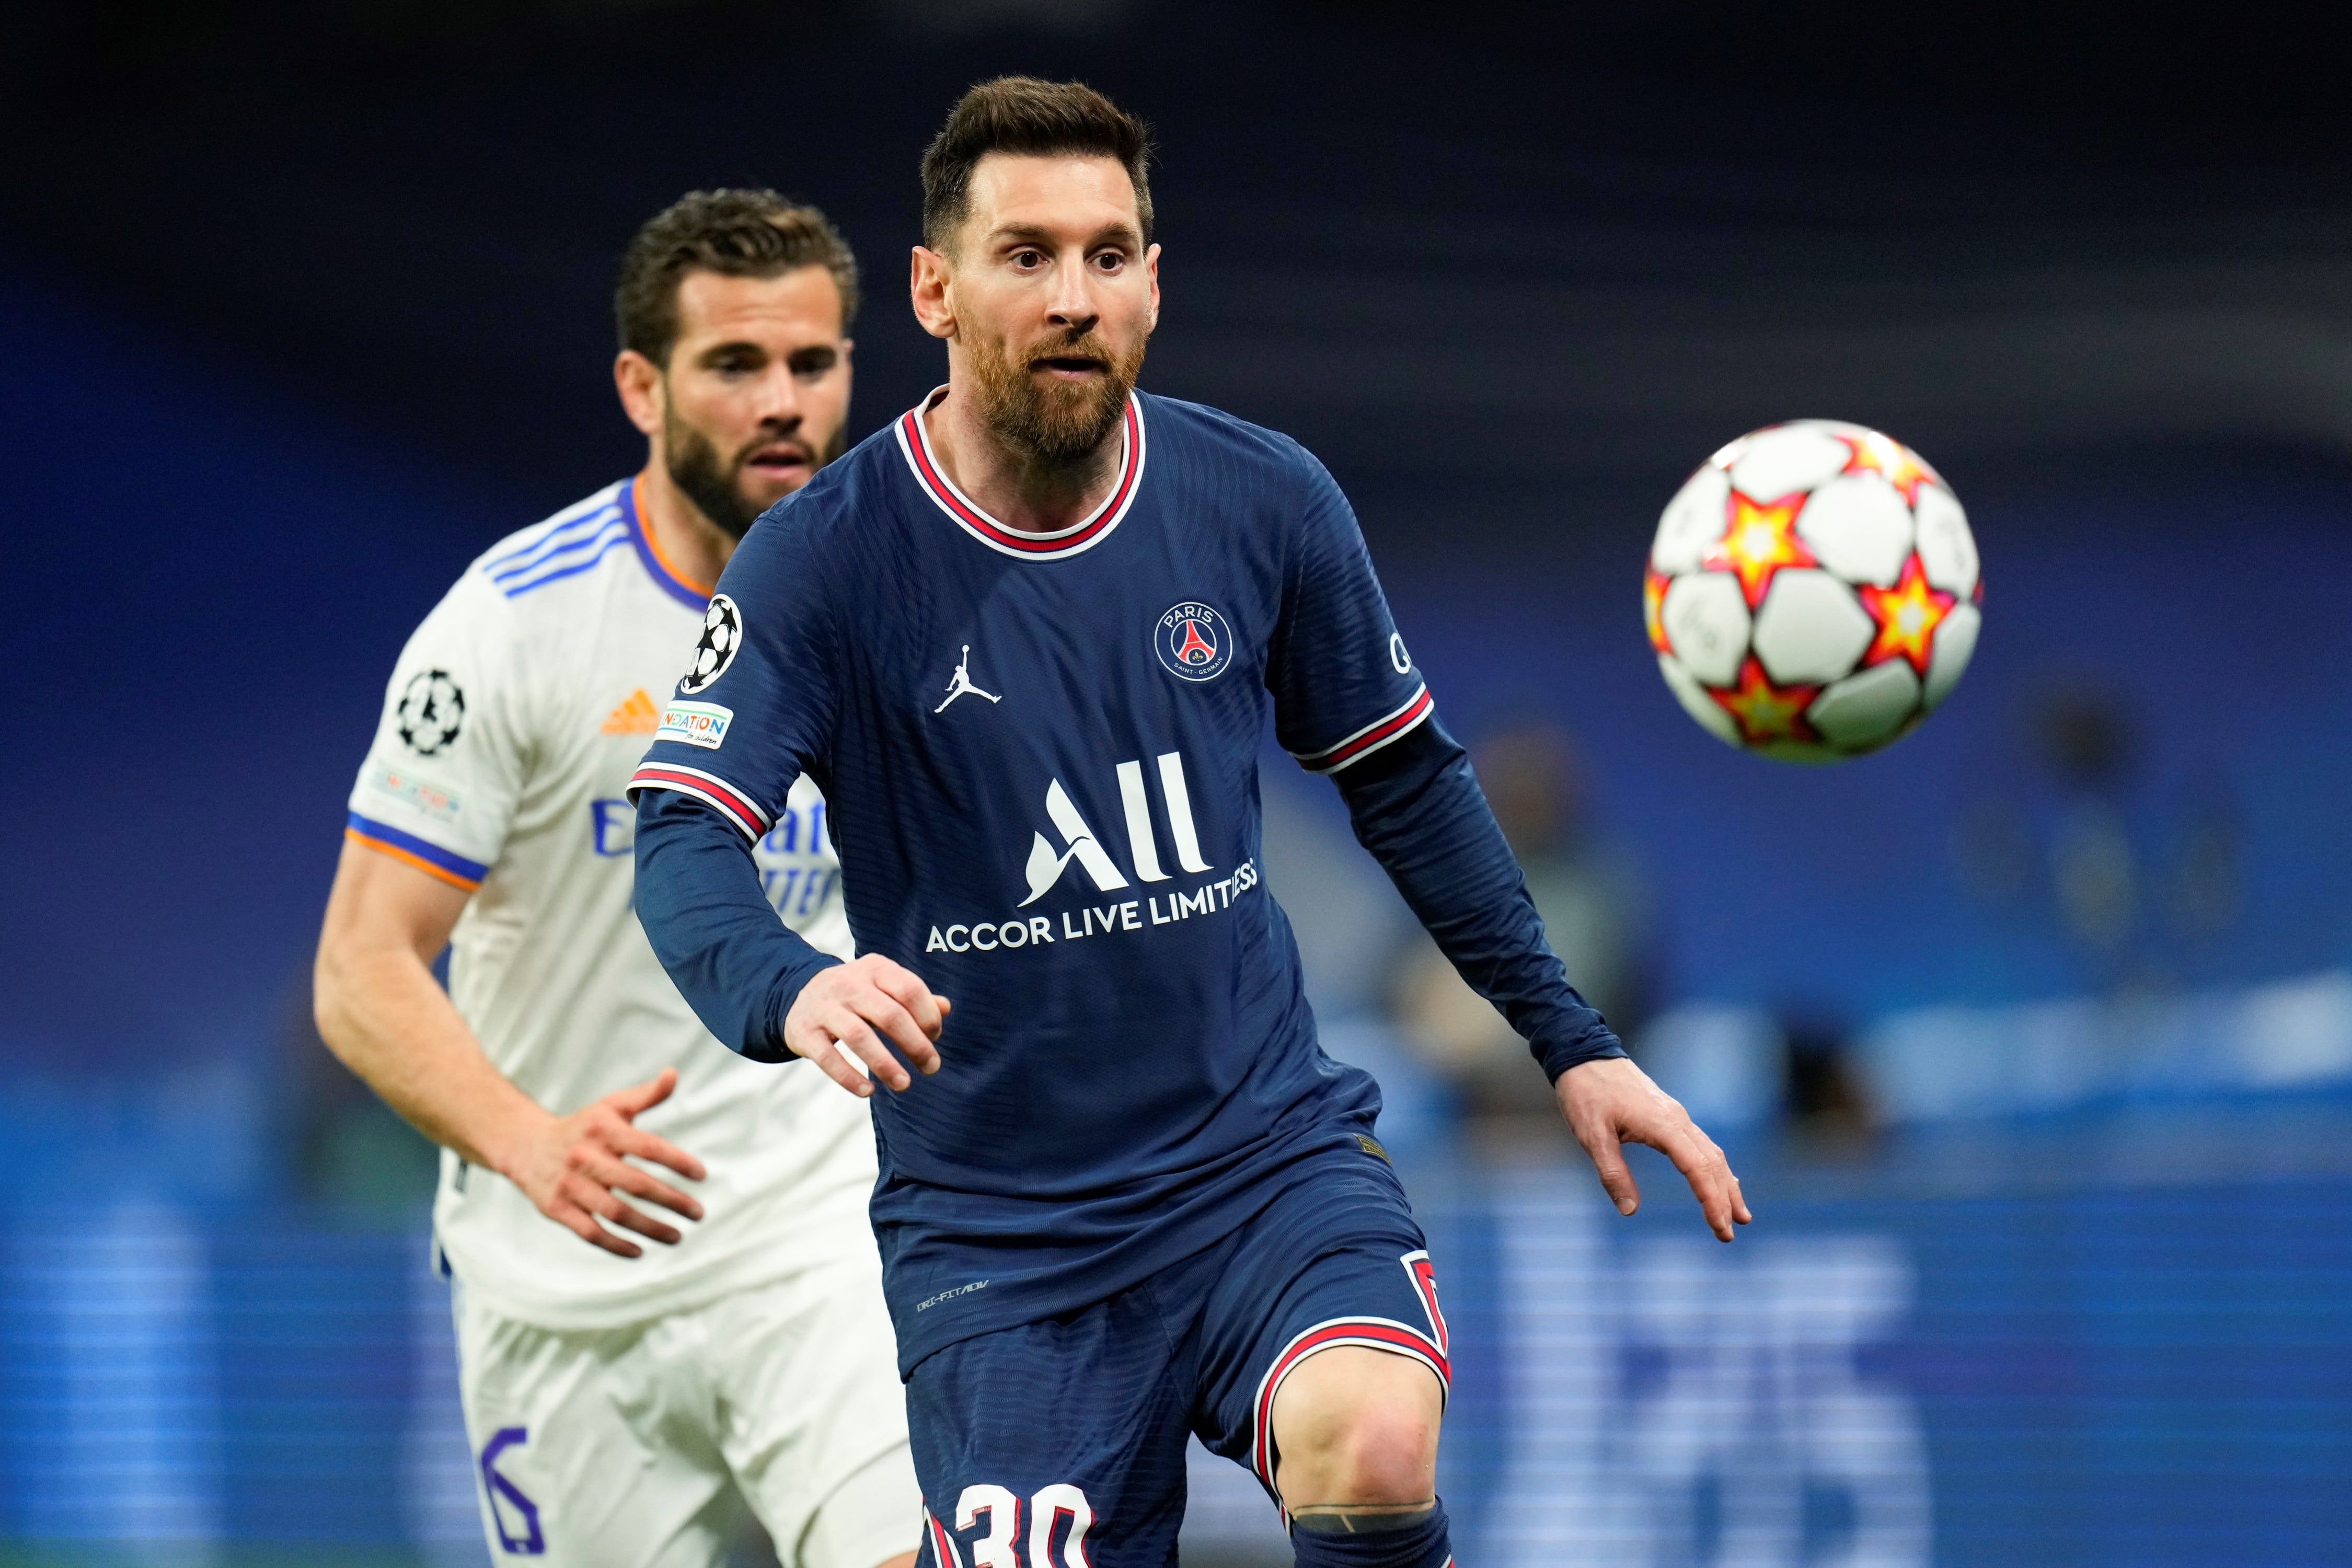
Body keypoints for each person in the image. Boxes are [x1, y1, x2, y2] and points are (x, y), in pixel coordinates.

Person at [628, 82, 1749, 1568]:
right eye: (1024, 256)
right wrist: (797, 985)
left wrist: (1572, 1040)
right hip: (1002, 1246)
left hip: (1264, 1167)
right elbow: (682, 839)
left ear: (1154, 277)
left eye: (1109, 254)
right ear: (933, 291)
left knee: (1374, 1432)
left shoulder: (1259, 498)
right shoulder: (822, 565)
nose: (1073, 297)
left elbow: (1403, 781)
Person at [313, 191, 919, 1568]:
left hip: (822, 1251)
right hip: (565, 1294)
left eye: (811, 364)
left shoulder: (905, 605)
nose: (782, 402)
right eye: (733, 365)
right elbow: (360, 969)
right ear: (641, 386)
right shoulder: (509, 631)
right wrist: (531, 1142)